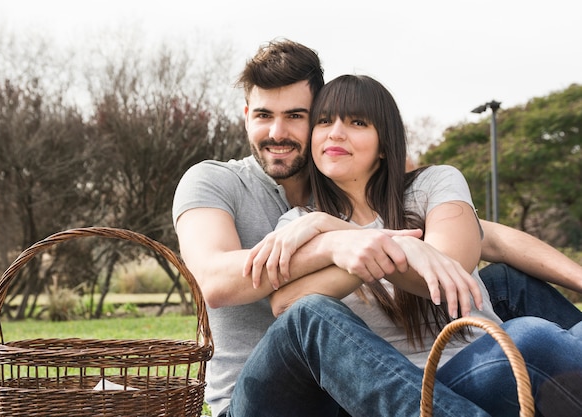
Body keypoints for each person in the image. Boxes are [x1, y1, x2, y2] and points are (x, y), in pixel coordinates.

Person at [172, 39, 582, 416]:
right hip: (265, 396)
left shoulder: (418, 188)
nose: (278, 132)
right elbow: (228, 286)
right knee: (528, 337)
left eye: (296, 116)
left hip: (354, 392)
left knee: (510, 290)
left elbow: (482, 238)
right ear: (247, 115)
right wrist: (341, 242)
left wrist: (346, 235)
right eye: (264, 115)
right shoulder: (232, 189)